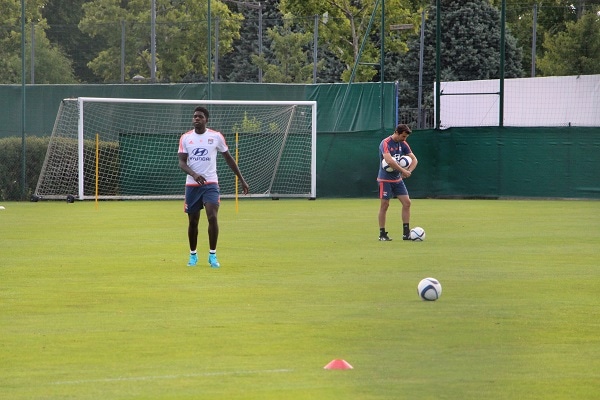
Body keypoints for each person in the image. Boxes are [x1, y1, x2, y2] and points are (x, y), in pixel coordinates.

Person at [178, 106, 249, 268]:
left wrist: (242, 180)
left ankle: (213, 255)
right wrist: (194, 174)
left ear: (206, 120)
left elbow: (229, 159)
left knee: (212, 217)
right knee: (193, 221)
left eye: (200, 117)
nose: (196, 119)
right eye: (195, 116)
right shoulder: (185, 138)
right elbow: (181, 162)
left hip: (211, 184)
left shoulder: (216, 137)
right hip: (192, 185)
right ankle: (193, 255)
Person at [377, 124, 418, 241]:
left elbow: (414, 159)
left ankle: (406, 233)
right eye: (403, 136)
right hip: (384, 180)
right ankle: (382, 234)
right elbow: (389, 161)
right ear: (397, 132)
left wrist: (408, 171)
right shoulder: (385, 143)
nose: (404, 139)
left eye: (406, 137)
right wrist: (403, 171)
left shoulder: (403, 143)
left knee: (407, 203)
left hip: (397, 180)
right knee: (385, 205)